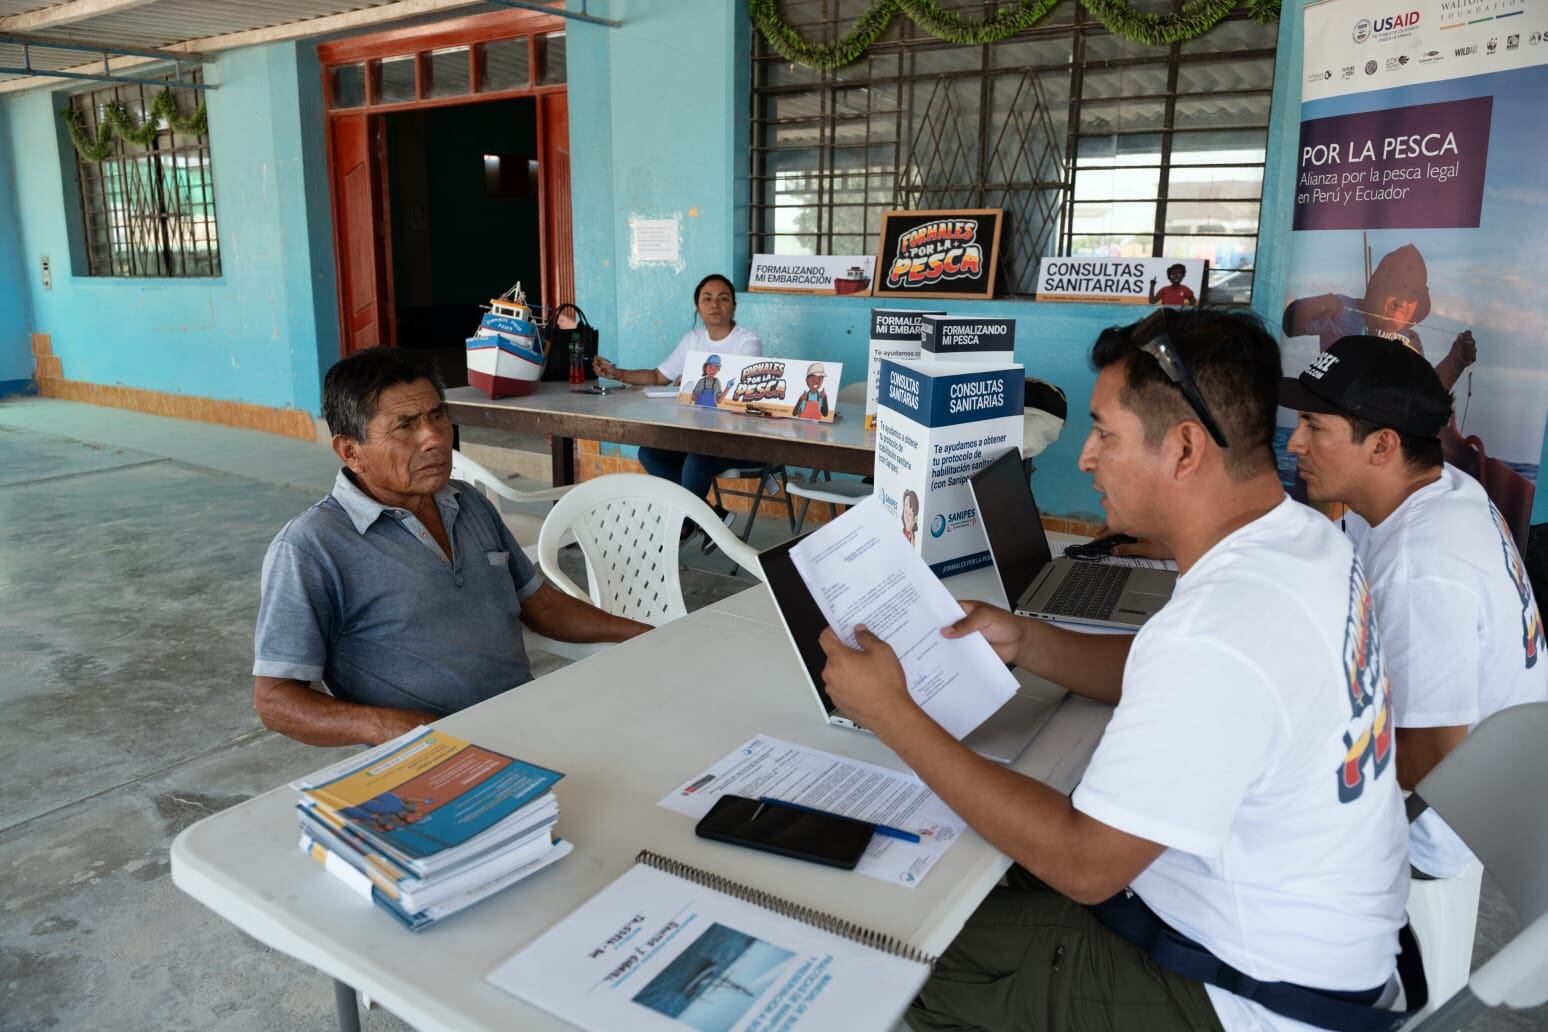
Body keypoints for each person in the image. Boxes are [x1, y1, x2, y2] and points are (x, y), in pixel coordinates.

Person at [820, 308, 1409, 1032]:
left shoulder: (1219, 630)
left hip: (1241, 999)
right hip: (1316, 949)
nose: (1085, 459)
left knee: (898, 936)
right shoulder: (1308, 540)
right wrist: (1029, 641)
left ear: (1185, 448)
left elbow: (1084, 861)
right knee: (974, 870)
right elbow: (1175, 674)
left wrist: (892, 715)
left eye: (1104, 432)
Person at [253, 347, 650, 748]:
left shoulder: (467, 502)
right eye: (405, 426)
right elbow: (275, 701)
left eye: (437, 416)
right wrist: (391, 728)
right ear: (350, 451)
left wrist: (647, 634)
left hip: (524, 721)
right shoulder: (311, 546)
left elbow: (542, 606)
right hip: (423, 755)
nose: (434, 439)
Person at [1282, 335, 1548, 878]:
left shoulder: (1420, 567)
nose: (1294, 444)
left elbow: (1429, 765)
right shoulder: (1444, 486)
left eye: (1314, 427)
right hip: (1493, 789)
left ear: (1382, 447)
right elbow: (1326, 550)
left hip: (1430, 831)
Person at [592, 273, 763, 548]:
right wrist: (617, 373)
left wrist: (695, 379)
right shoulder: (693, 339)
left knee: (697, 459)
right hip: (699, 434)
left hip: (738, 438)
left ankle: (682, 525)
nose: (715, 304)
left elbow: (742, 384)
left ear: (733, 306)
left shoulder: (747, 341)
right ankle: (710, 517)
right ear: (697, 306)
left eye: (723, 298)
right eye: (707, 298)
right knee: (649, 453)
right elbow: (658, 377)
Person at [1281, 243, 1476, 393]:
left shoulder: (1411, 341)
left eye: (1411, 296)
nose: (1402, 301)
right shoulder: (1340, 308)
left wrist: (1454, 362)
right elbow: (1290, 324)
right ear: (1377, 286)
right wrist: (1317, 305)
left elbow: (1423, 397)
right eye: (1395, 288)